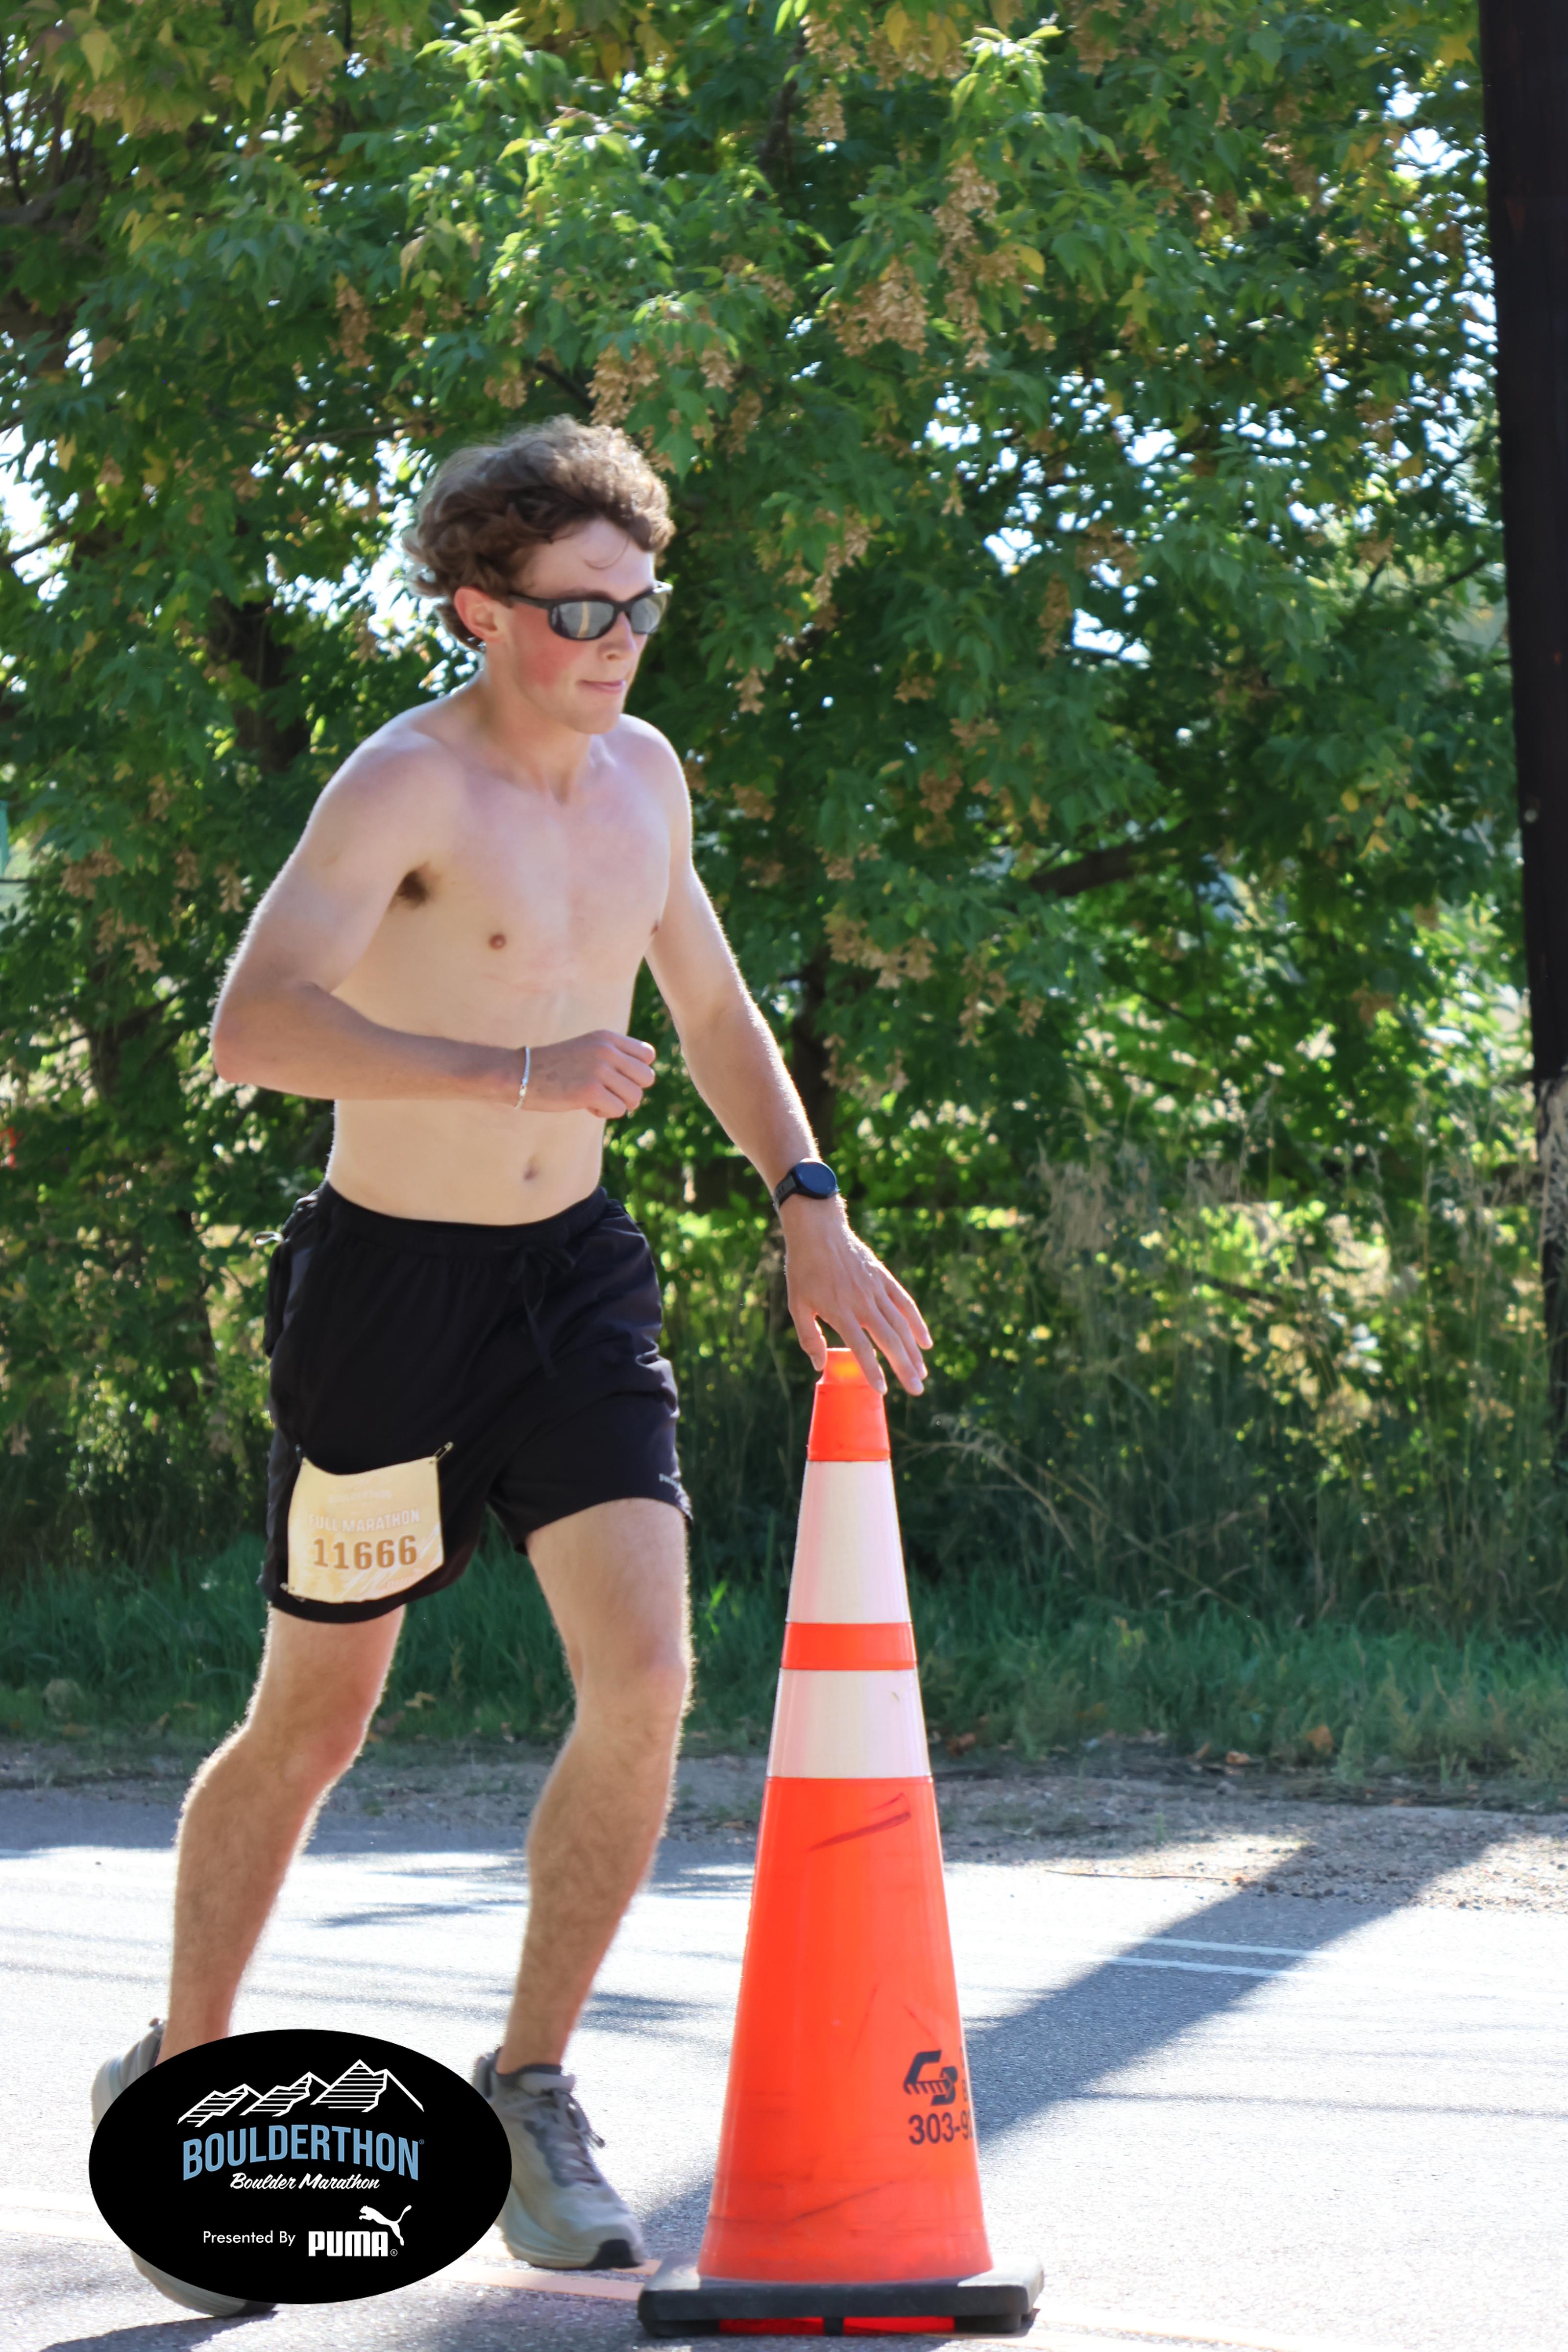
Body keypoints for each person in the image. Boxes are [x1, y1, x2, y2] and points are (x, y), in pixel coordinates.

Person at [92, 417, 932, 2316]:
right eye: (577, 610)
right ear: (481, 610)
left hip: (571, 1286)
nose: (616, 640)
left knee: (648, 1674)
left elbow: (709, 1007)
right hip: (385, 1298)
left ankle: (531, 2085)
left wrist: (806, 1198)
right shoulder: (405, 785)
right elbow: (251, 1029)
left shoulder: (647, 779)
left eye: (639, 606)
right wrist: (509, 1071)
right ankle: (187, 2082)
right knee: (317, 1722)